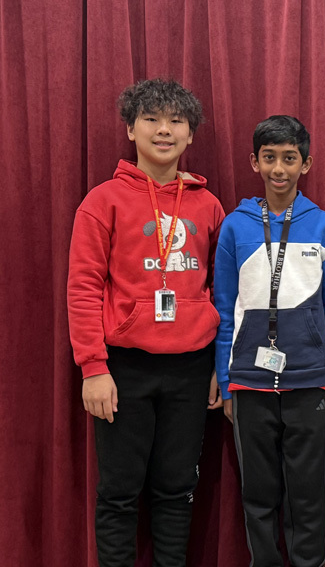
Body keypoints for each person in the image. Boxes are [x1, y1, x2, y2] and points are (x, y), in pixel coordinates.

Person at [67, 78, 225, 566]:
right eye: (152, 119)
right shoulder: (103, 201)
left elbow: (223, 290)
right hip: (123, 368)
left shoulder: (209, 205)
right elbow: (83, 288)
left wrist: (220, 364)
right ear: (130, 129)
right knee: (119, 492)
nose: (164, 130)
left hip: (192, 368)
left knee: (177, 490)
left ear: (191, 135)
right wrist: (94, 367)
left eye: (176, 121)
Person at [213, 115, 325, 567]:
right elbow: (224, 306)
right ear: (254, 161)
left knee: (308, 497)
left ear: (305, 164)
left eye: (289, 158)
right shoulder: (236, 226)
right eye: (269, 158)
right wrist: (225, 377)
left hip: (310, 380)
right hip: (249, 381)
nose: (278, 169)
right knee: (258, 495)